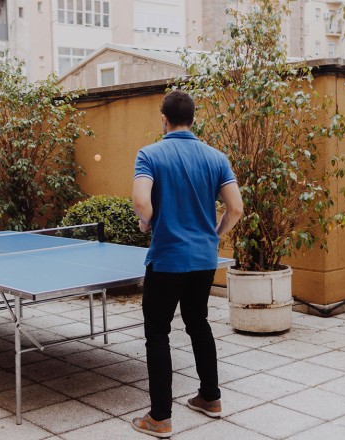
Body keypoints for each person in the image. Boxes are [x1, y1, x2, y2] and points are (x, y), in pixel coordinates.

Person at [130, 90, 244, 438]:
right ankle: (211, 397)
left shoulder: (150, 154)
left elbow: (140, 201)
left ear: (163, 119)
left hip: (167, 259)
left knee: (157, 333)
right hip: (204, 259)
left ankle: (160, 418)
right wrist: (215, 233)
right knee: (198, 323)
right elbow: (236, 208)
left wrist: (146, 221)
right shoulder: (216, 158)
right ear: (193, 119)